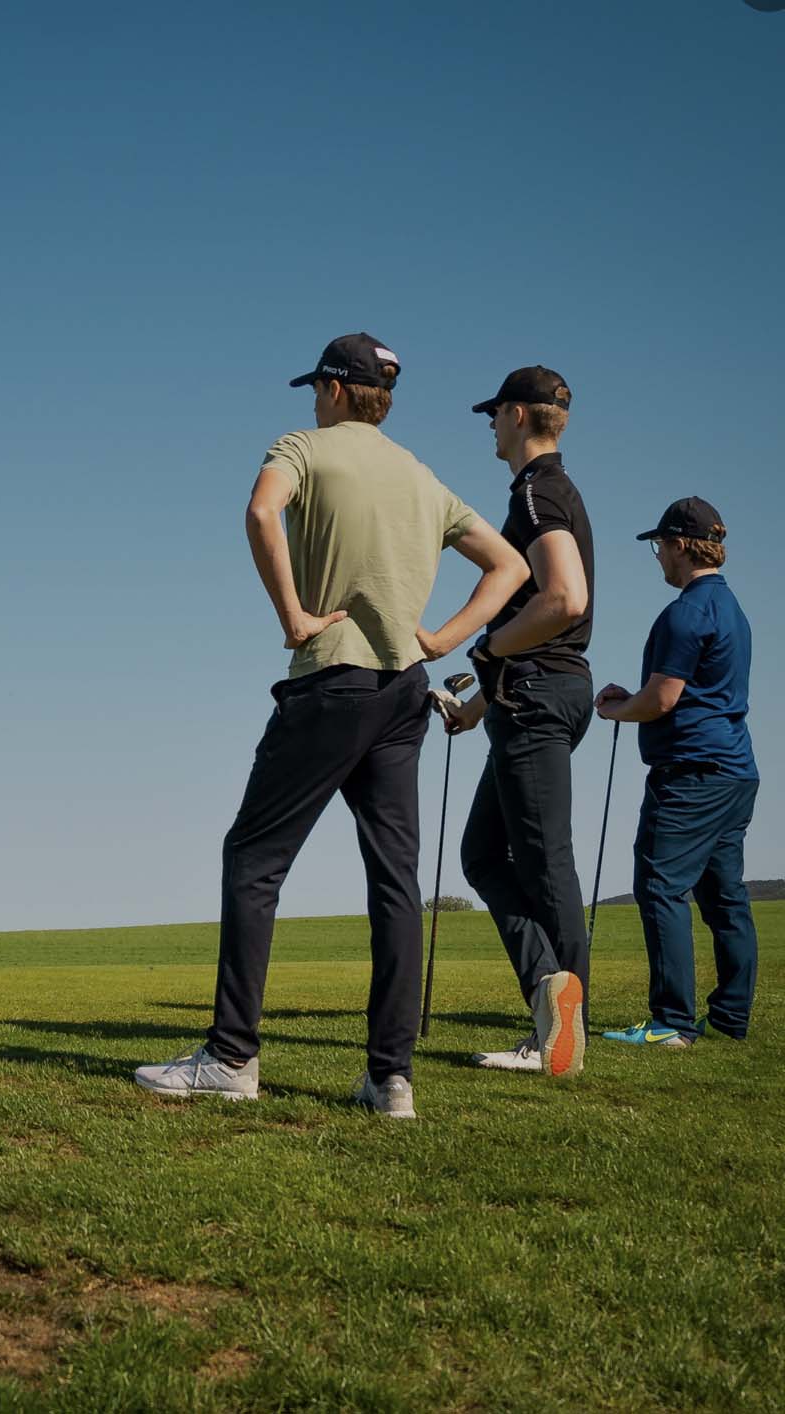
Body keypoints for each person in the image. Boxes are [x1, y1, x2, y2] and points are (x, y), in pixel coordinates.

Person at [134, 334, 528, 1117]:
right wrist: (444, 640)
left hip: (332, 682)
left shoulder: (303, 448)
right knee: (396, 883)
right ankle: (391, 1079)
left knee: (253, 859)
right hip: (403, 694)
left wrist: (291, 613)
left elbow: (260, 510)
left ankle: (231, 1058)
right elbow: (511, 566)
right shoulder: (421, 476)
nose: (312, 399)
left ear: (340, 391)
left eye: (318, 386)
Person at [441, 366, 594, 1078]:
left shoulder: (537, 492)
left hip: (536, 695)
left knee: (544, 863)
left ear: (519, 414)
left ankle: (564, 1034)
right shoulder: (547, 490)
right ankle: (550, 997)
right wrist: (474, 706)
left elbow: (564, 600)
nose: (489, 425)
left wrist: (489, 647)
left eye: (494, 413)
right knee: (482, 855)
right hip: (530, 696)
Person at [594, 499, 758, 1048]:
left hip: (691, 771)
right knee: (724, 896)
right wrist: (633, 697)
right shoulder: (731, 608)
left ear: (681, 545)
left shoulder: (685, 612)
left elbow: (663, 700)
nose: (658, 556)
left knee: (660, 887)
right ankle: (731, 1019)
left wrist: (616, 707)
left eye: (659, 546)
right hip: (735, 770)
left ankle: (671, 1024)